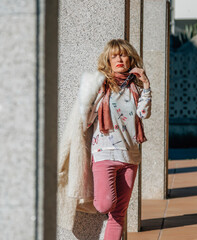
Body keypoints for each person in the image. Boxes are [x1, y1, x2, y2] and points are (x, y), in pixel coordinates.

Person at [57, 39, 152, 240]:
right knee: (105, 204)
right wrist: (88, 99)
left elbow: (143, 113)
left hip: (130, 156)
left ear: (130, 58)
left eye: (123, 55)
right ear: (108, 60)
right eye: (114, 56)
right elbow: (85, 119)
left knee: (119, 214)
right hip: (104, 153)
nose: (119, 59)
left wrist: (146, 84)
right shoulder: (102, 85)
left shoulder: (135, 88)